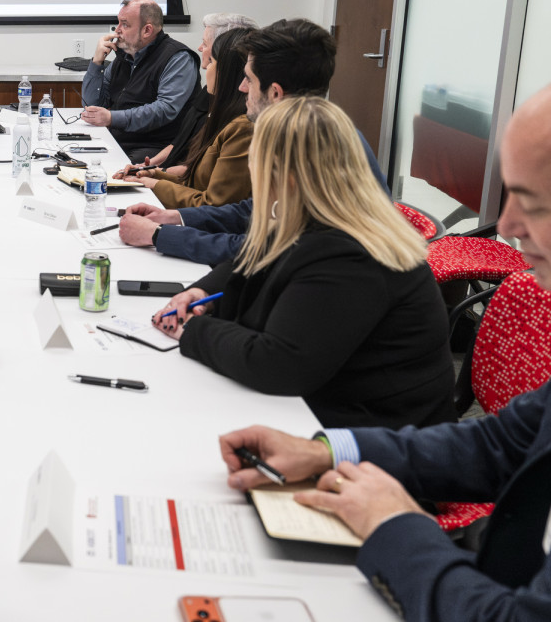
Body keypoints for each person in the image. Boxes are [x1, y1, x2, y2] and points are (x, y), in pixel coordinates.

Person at [220, 84, 551, 621]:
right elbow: (497, 445)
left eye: (533, 204)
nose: (508, 227)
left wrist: (392, 524)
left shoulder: (347, 251)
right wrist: (329, 452)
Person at [152, 97, 455, 429]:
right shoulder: (317, 213)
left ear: (287, 177)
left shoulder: (350, 256)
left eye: (256, 159)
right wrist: (200, 292)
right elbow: (254, 255)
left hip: (374, 439)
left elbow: (277, 365)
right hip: (331, 403)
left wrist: (193, 331)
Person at [118, 18, 389, 264]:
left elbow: (262, 249)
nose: (241, 87)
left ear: (275, 93)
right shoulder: (316, 128)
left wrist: (159, 236)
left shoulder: (311, 149)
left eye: (249, 79)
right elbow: (255, 211)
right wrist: (173, 217)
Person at [115, 27, 254, 209]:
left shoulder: (242, 127)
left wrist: (155, 184)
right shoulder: (220, 114)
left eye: (211, 62)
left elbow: (213, 204)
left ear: (227, 74)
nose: (205, 67)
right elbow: (196, 182)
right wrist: (153, 174)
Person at [130, 12, 259, 173]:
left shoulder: (239, 114)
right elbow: (180, 142)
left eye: (205, 44)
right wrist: (150, 166)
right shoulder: (209, 92)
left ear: (226, 50)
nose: (199, 48)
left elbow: (198, 172)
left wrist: (154, 174)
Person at [79, 0, 202, 162]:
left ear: (147, 30)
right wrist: (96, 62)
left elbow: (165, 109)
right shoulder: (124, 56)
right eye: (118, 23)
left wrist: (112, 118)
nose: (117, 31)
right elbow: (91, 105)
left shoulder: (178, 58)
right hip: (119, 140)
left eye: (125, 24)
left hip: (153, 147)